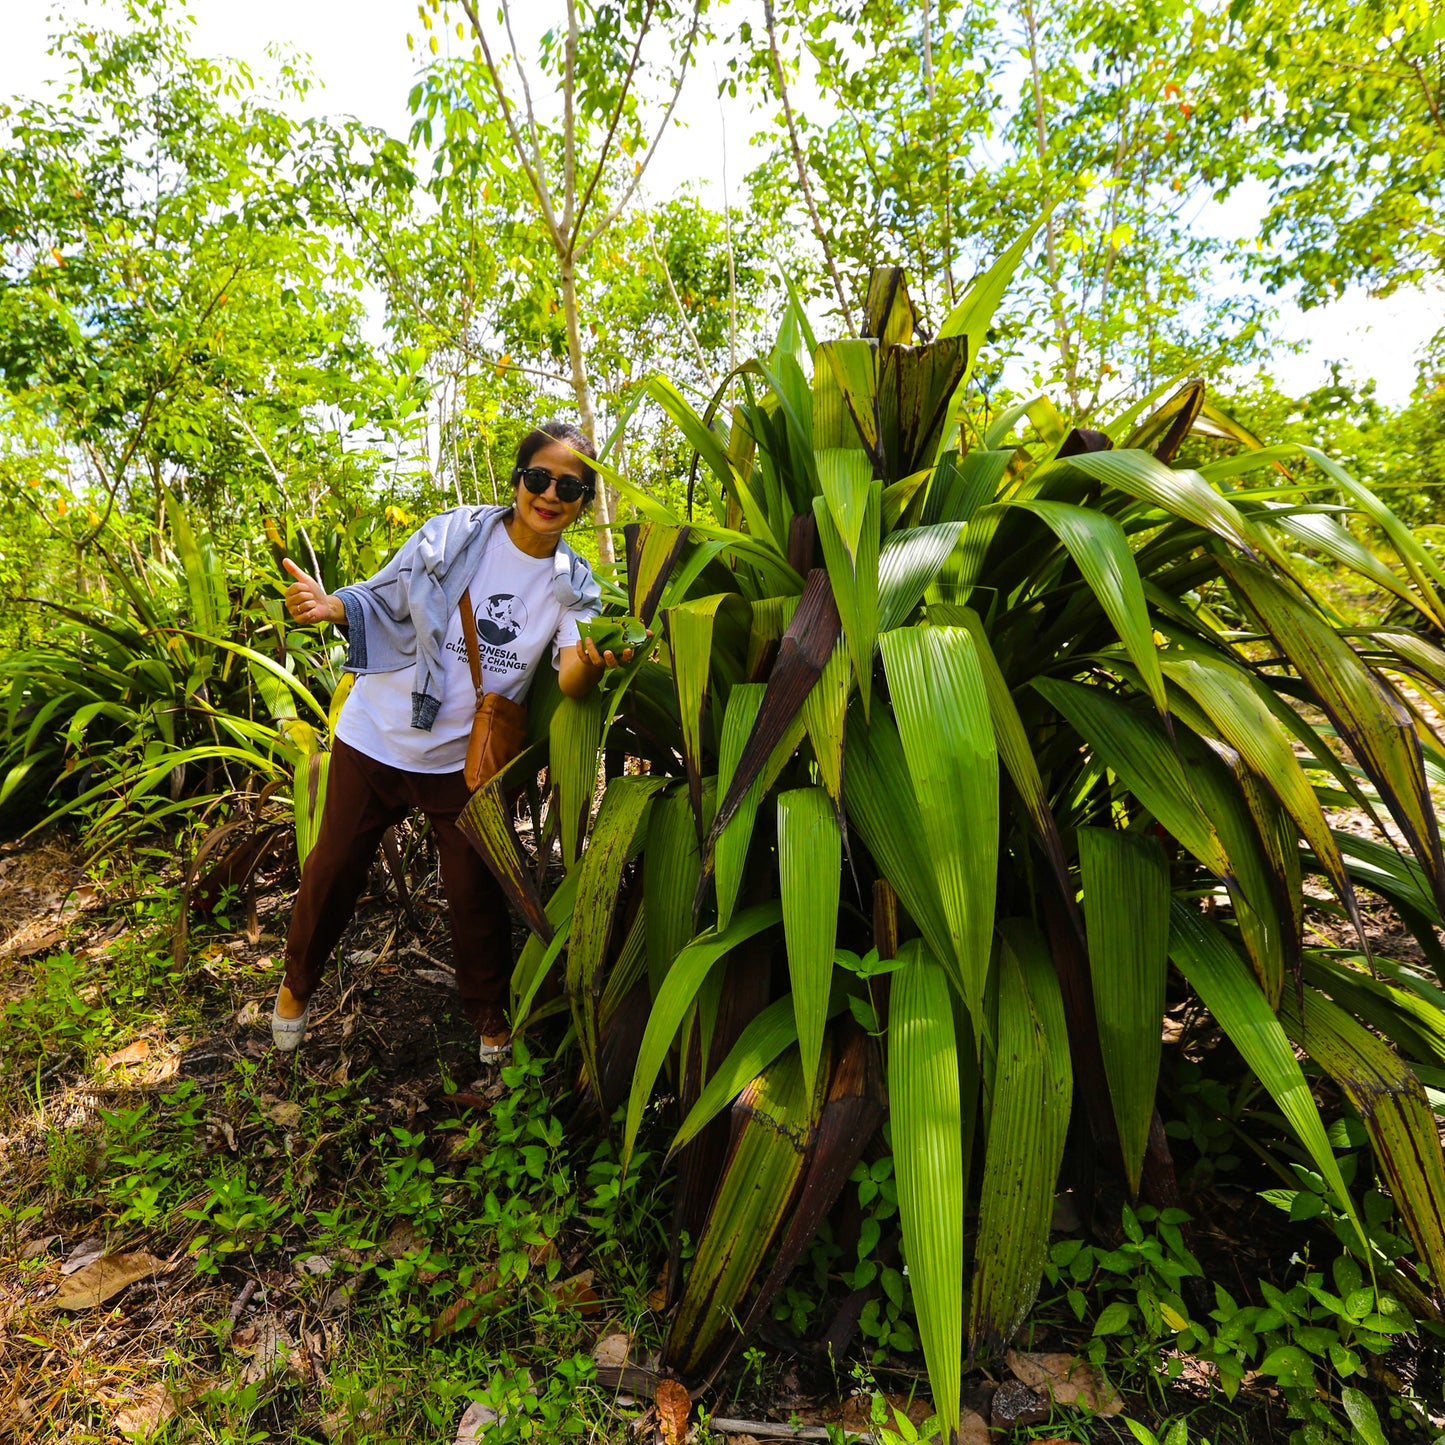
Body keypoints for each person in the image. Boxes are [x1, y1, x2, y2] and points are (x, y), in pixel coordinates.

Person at [271, 420, 634, 1063]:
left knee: (474, 889)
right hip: (377, 735)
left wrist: (597, 660)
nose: (550, 494)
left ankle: (490, 1018)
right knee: (333, 870)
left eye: (570, 486)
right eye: (539, 478)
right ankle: (296, 987)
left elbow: (571, 679)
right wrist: (333, 607)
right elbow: (385, 594)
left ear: (583, 500)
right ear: (518, 479)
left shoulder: (572, 583)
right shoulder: (458, 533)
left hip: (459, 759)